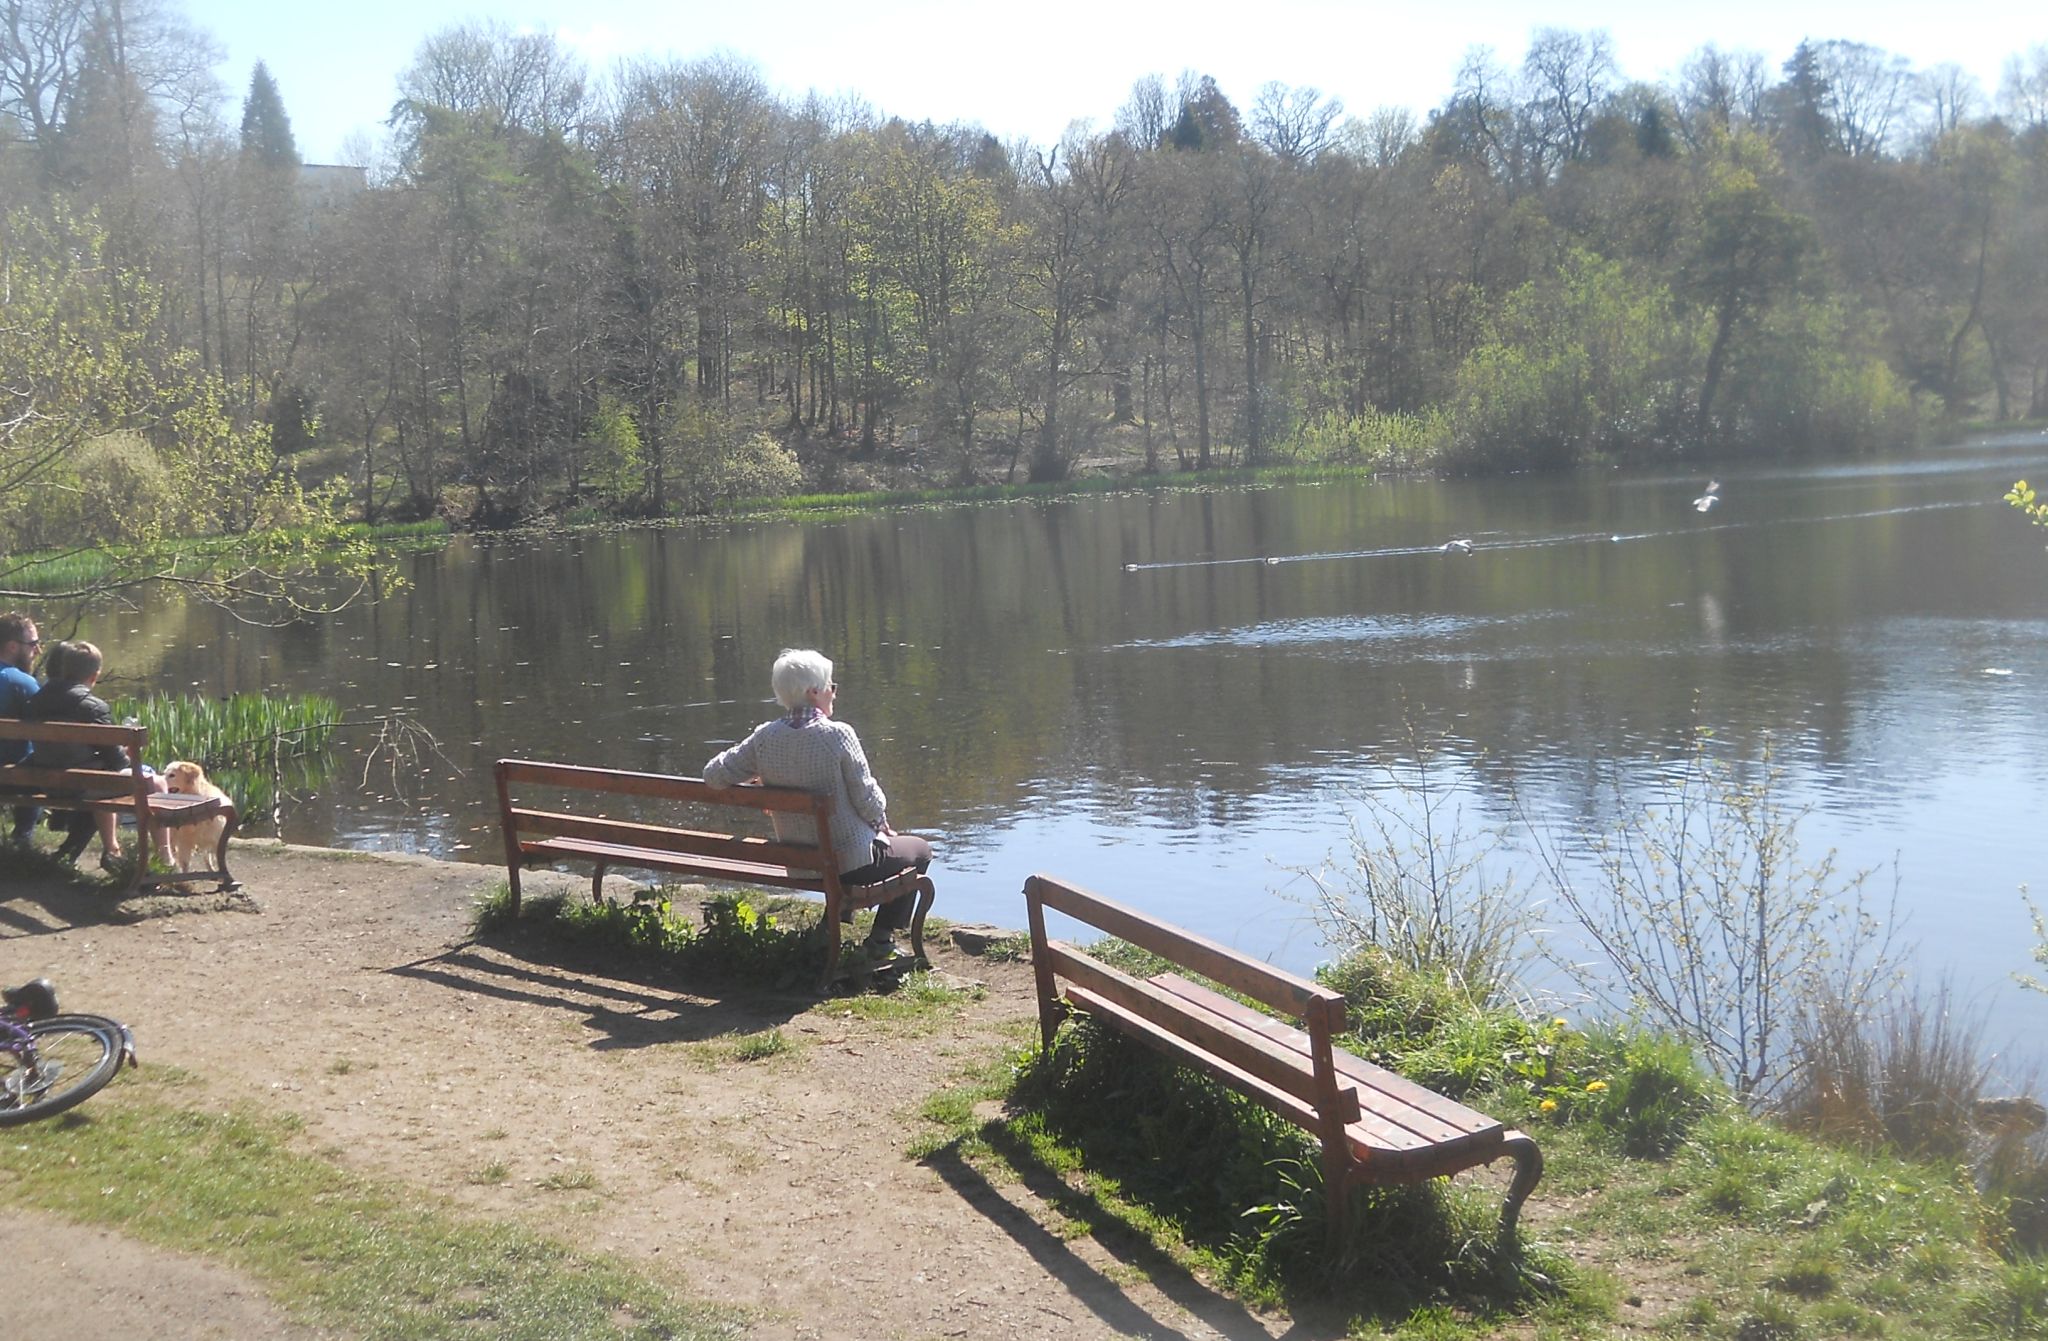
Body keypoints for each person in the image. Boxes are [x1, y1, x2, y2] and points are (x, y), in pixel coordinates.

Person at [703, 648, 933, 959]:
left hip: (801, 863)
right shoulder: (838, 735)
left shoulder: (764, 738)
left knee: (883, 848)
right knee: (919, 850)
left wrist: (759, 773)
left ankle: (830, 929)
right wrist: (882, 824)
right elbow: (868, 798)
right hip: (850, 865)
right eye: (831, 687)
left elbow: (713, 775)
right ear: (814, 692)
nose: (834, 694)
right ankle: (880, 939)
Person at [23, 641, 129, 866]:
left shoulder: (34, 702)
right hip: (82, 786)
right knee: (152, 782)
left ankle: (73, 856)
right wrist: (127, 752)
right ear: (95, 675)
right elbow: (118, 761)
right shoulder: (93, 706)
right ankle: (162, 863)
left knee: (98, 783)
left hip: (46, 783)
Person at [0, 612, 42, 848]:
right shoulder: (20, 682)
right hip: (13, 777)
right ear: (13, 647)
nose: (37, 651)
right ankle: (23, 840)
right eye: (33, 644)